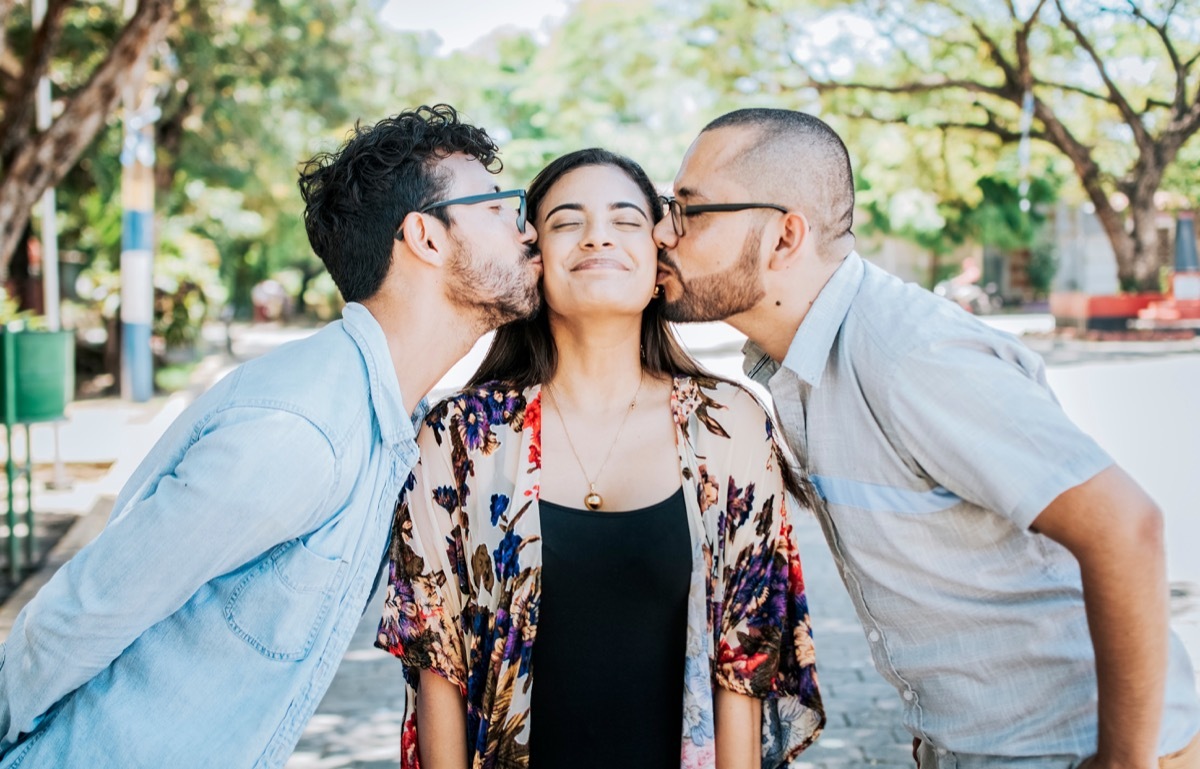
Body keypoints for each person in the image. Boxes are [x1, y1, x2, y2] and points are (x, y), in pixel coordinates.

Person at [653, 107, 1200, 769]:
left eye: (689, 210)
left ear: (784, 237)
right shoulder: (800, 360)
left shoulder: (909, 355)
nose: (662, 232)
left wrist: (1123, 762)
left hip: (1076, 748)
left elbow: (1126, 526)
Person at [0, 104, 540, 768]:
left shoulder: (395, 420)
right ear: (425, 237)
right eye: (497, 206)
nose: (526, 228)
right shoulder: (307, 430)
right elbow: (82, 613)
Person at [375, 148, 825, 769]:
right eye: (566, 222)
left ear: (658, 258)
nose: (597, 237)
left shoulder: (729, 424)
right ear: (534, 259)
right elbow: (436, 660)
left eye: (625, 220)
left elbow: (746, 658)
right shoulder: (463, 436)